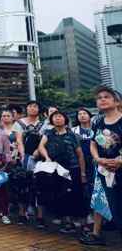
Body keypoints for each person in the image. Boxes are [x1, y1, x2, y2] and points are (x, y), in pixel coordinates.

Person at [80, 86, 122, 246]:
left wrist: (119, 160)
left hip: (119, 167)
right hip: (105, 171)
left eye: (106, 96)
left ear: (117, 101)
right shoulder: (97, 122)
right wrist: (98, 159)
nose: (102, 99)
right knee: (115, 207)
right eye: (99, 98)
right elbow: (93, 143)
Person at [38, 110, 88, 234]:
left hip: (73, 168)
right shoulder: (48, 133)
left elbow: (80, 155)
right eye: (55, 117)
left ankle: (84, 224)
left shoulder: (72, 135)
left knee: (77, 195)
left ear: (65, 119)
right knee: (61, 195)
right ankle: (68, 222)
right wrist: (47, 157)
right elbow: (41, 146)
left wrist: (83, 173)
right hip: (58, 169)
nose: (57, 119)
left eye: (60, 116)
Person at [14, 100, 44, 226]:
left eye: (35, 106)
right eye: (30, 106)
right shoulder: (19, 123)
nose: (32, 108)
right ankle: (22, 214)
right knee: (23, 185)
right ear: (26, 109)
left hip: (40, 157)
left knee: (39, 186)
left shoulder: (43, 124)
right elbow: (19, 140)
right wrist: (22, 155)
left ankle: (40, 216)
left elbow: (44, 140)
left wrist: (38, 152)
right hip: (24, 157)